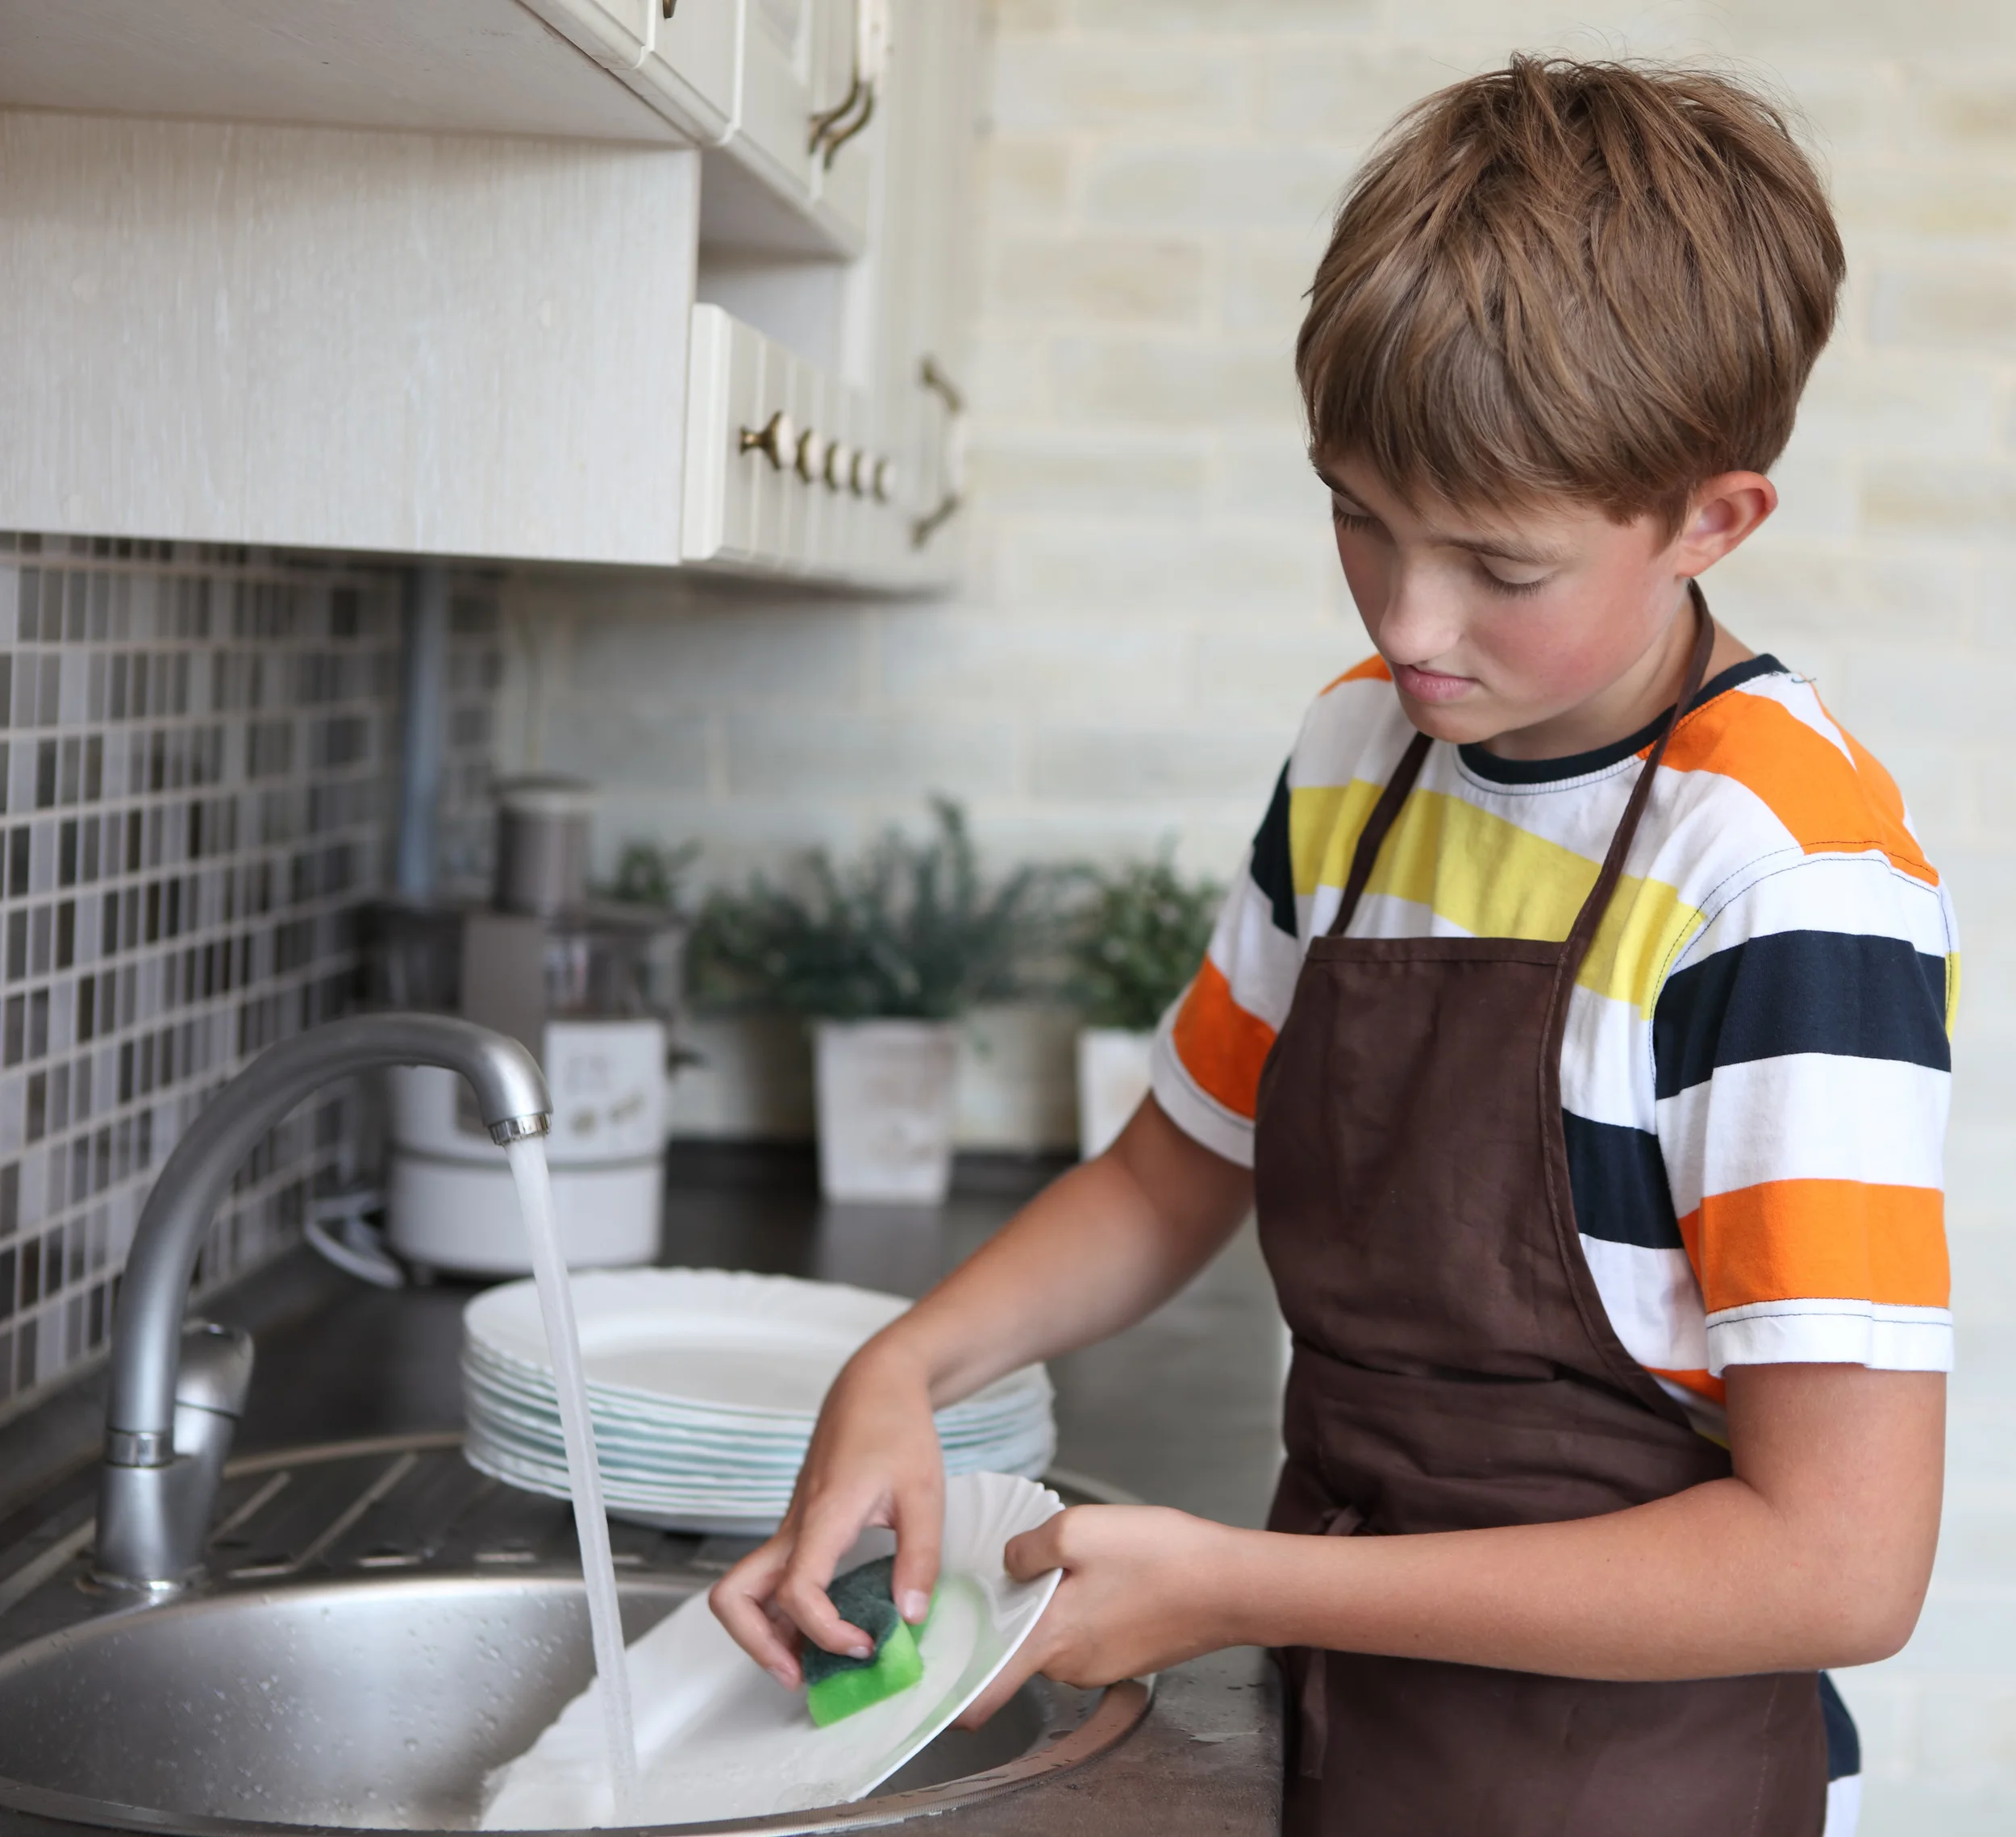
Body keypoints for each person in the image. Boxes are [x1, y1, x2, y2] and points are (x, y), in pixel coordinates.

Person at [711, 56, 1954, 1837]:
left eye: (1496, 564)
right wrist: (899, 1368)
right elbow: (1170, 1169)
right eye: (1357, 514)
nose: (1406, 620)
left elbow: (1834, 1565)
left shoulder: (1782, 879)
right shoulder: (1359, 752)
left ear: (1710, 516)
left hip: (1628, 1787)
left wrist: (1241, 1583)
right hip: (1343, 1727)